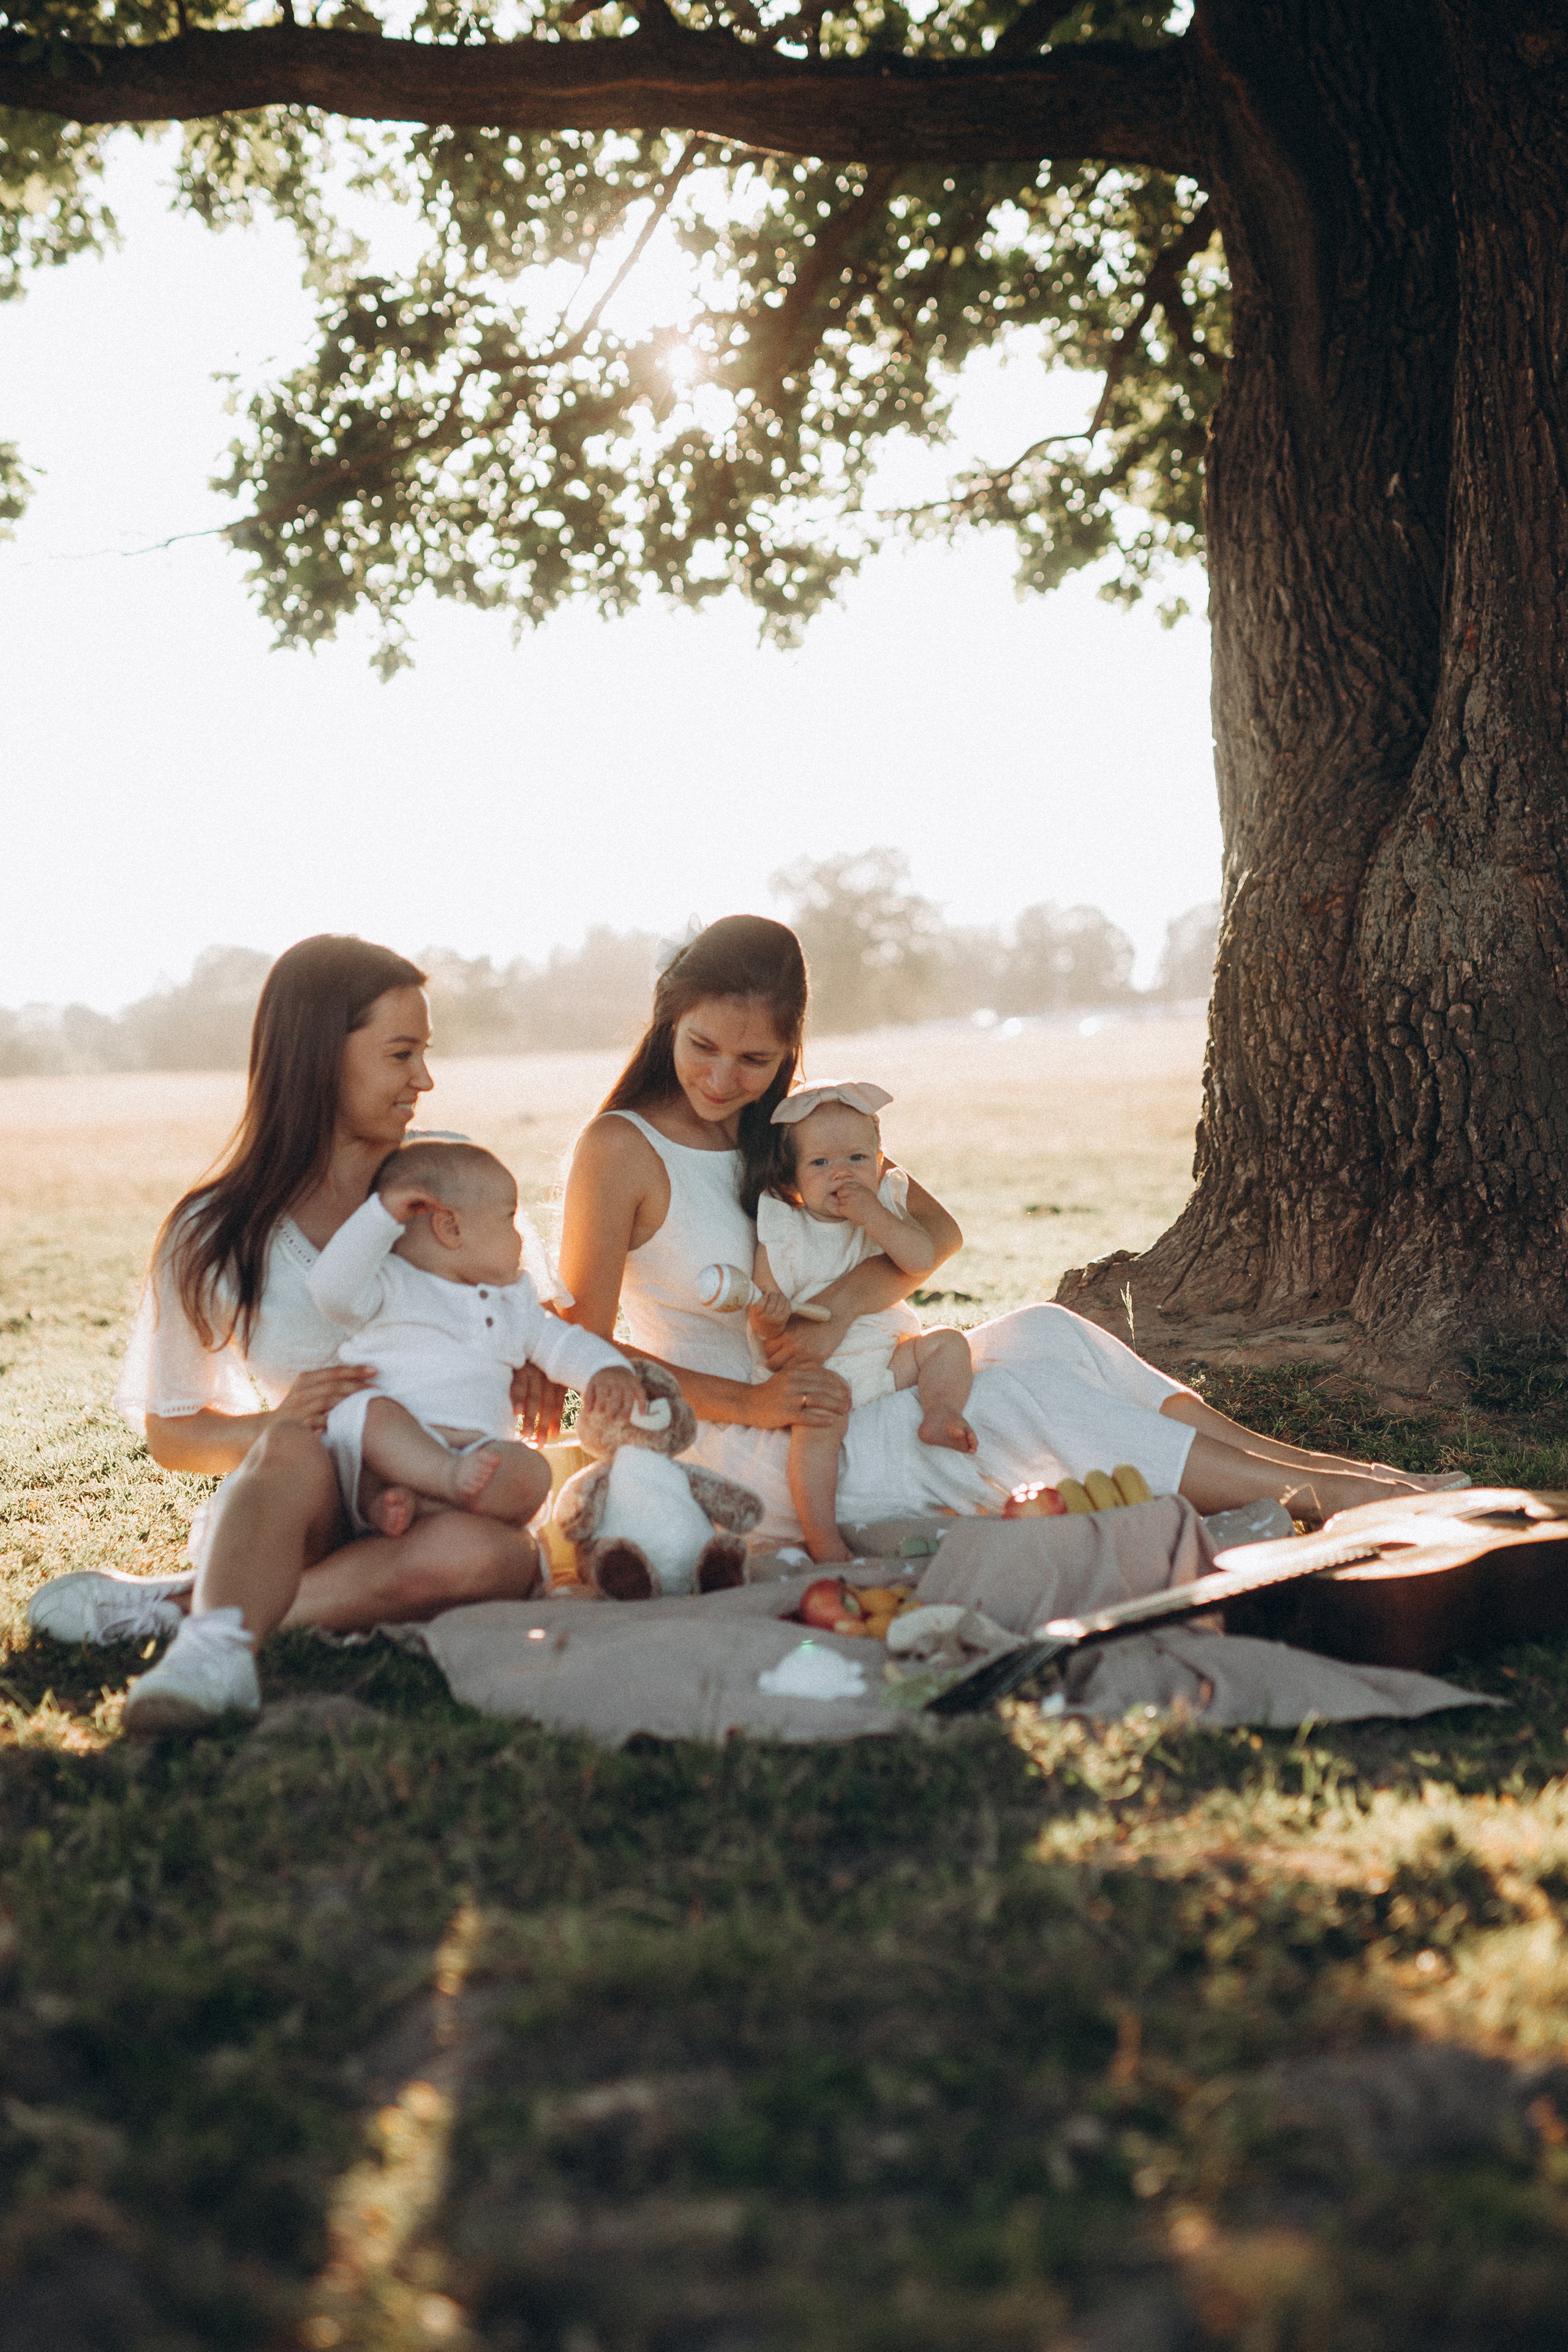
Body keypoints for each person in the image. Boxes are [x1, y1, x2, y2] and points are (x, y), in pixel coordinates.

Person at [554, 914, 1457, 1547]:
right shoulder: (620, 1150)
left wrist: (831, 1305)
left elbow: (932, 1236)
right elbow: (581, 1350)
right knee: (1024, 1401)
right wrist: (755, 1402)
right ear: (670, 1013)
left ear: (789, 1048)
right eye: (704, 1046)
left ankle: (1336, 1472)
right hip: (771, 1444)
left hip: (853, 1383)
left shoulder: (787, 1127)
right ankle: (1335, 1499)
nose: (724, 1078)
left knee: (1049, 1332)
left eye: (756, 1059)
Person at [26, 935, 563, 1735]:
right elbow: (175, 1436)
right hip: (297, 1499)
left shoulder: (451, 1181)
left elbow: (531, 1314)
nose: (424, 1078)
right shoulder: (213, 1232)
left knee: (497, 1561)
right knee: (295, 1448)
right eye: (401, 1053)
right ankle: (219, 1641)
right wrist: (279, 1421)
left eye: (425, 1052)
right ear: (320, 1058)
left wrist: (532, 1364)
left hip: (431, 1495)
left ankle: (193, 1606)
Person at [308, 1138, 641, 1539]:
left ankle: (422, 1504)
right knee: (368, 1411)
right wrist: (381, 1216)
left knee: (531, 1472)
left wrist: (606, 1369)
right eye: (510, 1218)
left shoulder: (514, 1301)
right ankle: (410, 1491)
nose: (520, 1238)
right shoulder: (388, 1284)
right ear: (450, 1228)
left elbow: (561, 1344)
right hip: (387, 1454)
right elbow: (329, 1289)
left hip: (476, 1451)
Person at [747, 1080, 974, 1562]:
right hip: (822, 1371)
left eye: (857, 1159)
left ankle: (941, 1412)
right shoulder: (786, 1230)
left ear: (879, 1160)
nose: (842, 1175)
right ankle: (822, 1536)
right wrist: (769, 1321)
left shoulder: (886, 1205)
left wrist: (873, 1214)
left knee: (948, 1344)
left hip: (889, 1357)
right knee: (816, 1430)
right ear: (793, 1179)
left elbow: (920, 1258)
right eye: (821, 1163)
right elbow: (770, 1318)